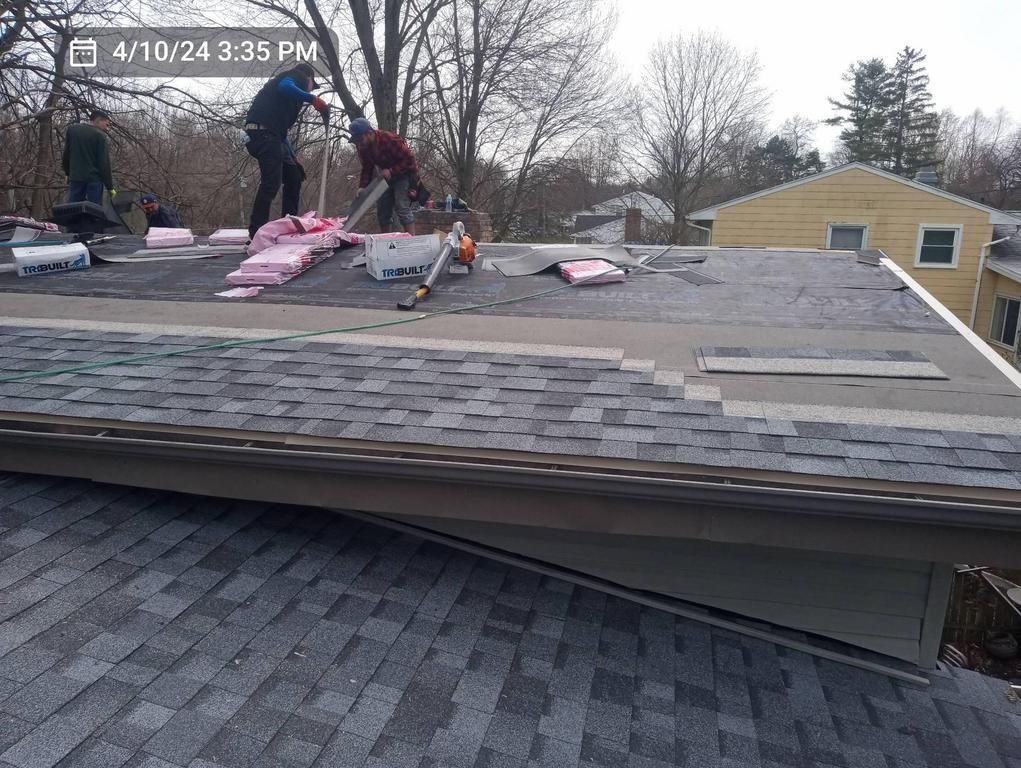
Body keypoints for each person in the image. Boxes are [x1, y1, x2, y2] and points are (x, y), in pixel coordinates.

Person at [243, 62, 329, 237]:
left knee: (294, 175)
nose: (310, 90)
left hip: (270, 135)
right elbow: (285, 86)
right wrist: (312, 99)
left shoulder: (285, 103)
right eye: (312, 86)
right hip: (262, 134)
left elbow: (281, 134)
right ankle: (256, 232)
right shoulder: (294, 77)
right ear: (309, 78)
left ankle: (288, 226)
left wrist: (292, 156)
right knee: (271, 183)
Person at [349, 117, 419, 234]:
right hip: (386, 178)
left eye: (360, 139)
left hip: (404, 174)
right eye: (356, 140)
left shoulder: (389, 139)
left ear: (370, 133)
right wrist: (362, 186)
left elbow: (410, 161)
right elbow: (367, 168)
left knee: (401, 206)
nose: (359, 143)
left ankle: (411, 239)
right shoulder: (363, 147)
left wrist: (392, 171)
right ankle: (386, 241)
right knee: (383, 209)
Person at [62, 110, 115, 206]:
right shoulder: (100, 136)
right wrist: (110, 186)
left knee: (73, 209)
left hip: (76, 178)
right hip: (94, 181)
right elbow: (104, 164)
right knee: (93, 211)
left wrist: (67, 172)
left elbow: (67, 153)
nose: (107, 128)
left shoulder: (73, 130)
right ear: (98, 120)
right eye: (106, 124)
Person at [281, 137, 306, 218]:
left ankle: (291, 215)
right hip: (282, 159)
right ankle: (288, 215)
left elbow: (287, 144)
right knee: (291, 185)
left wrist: (295, 160)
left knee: (295, 182)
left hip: (289, 160)